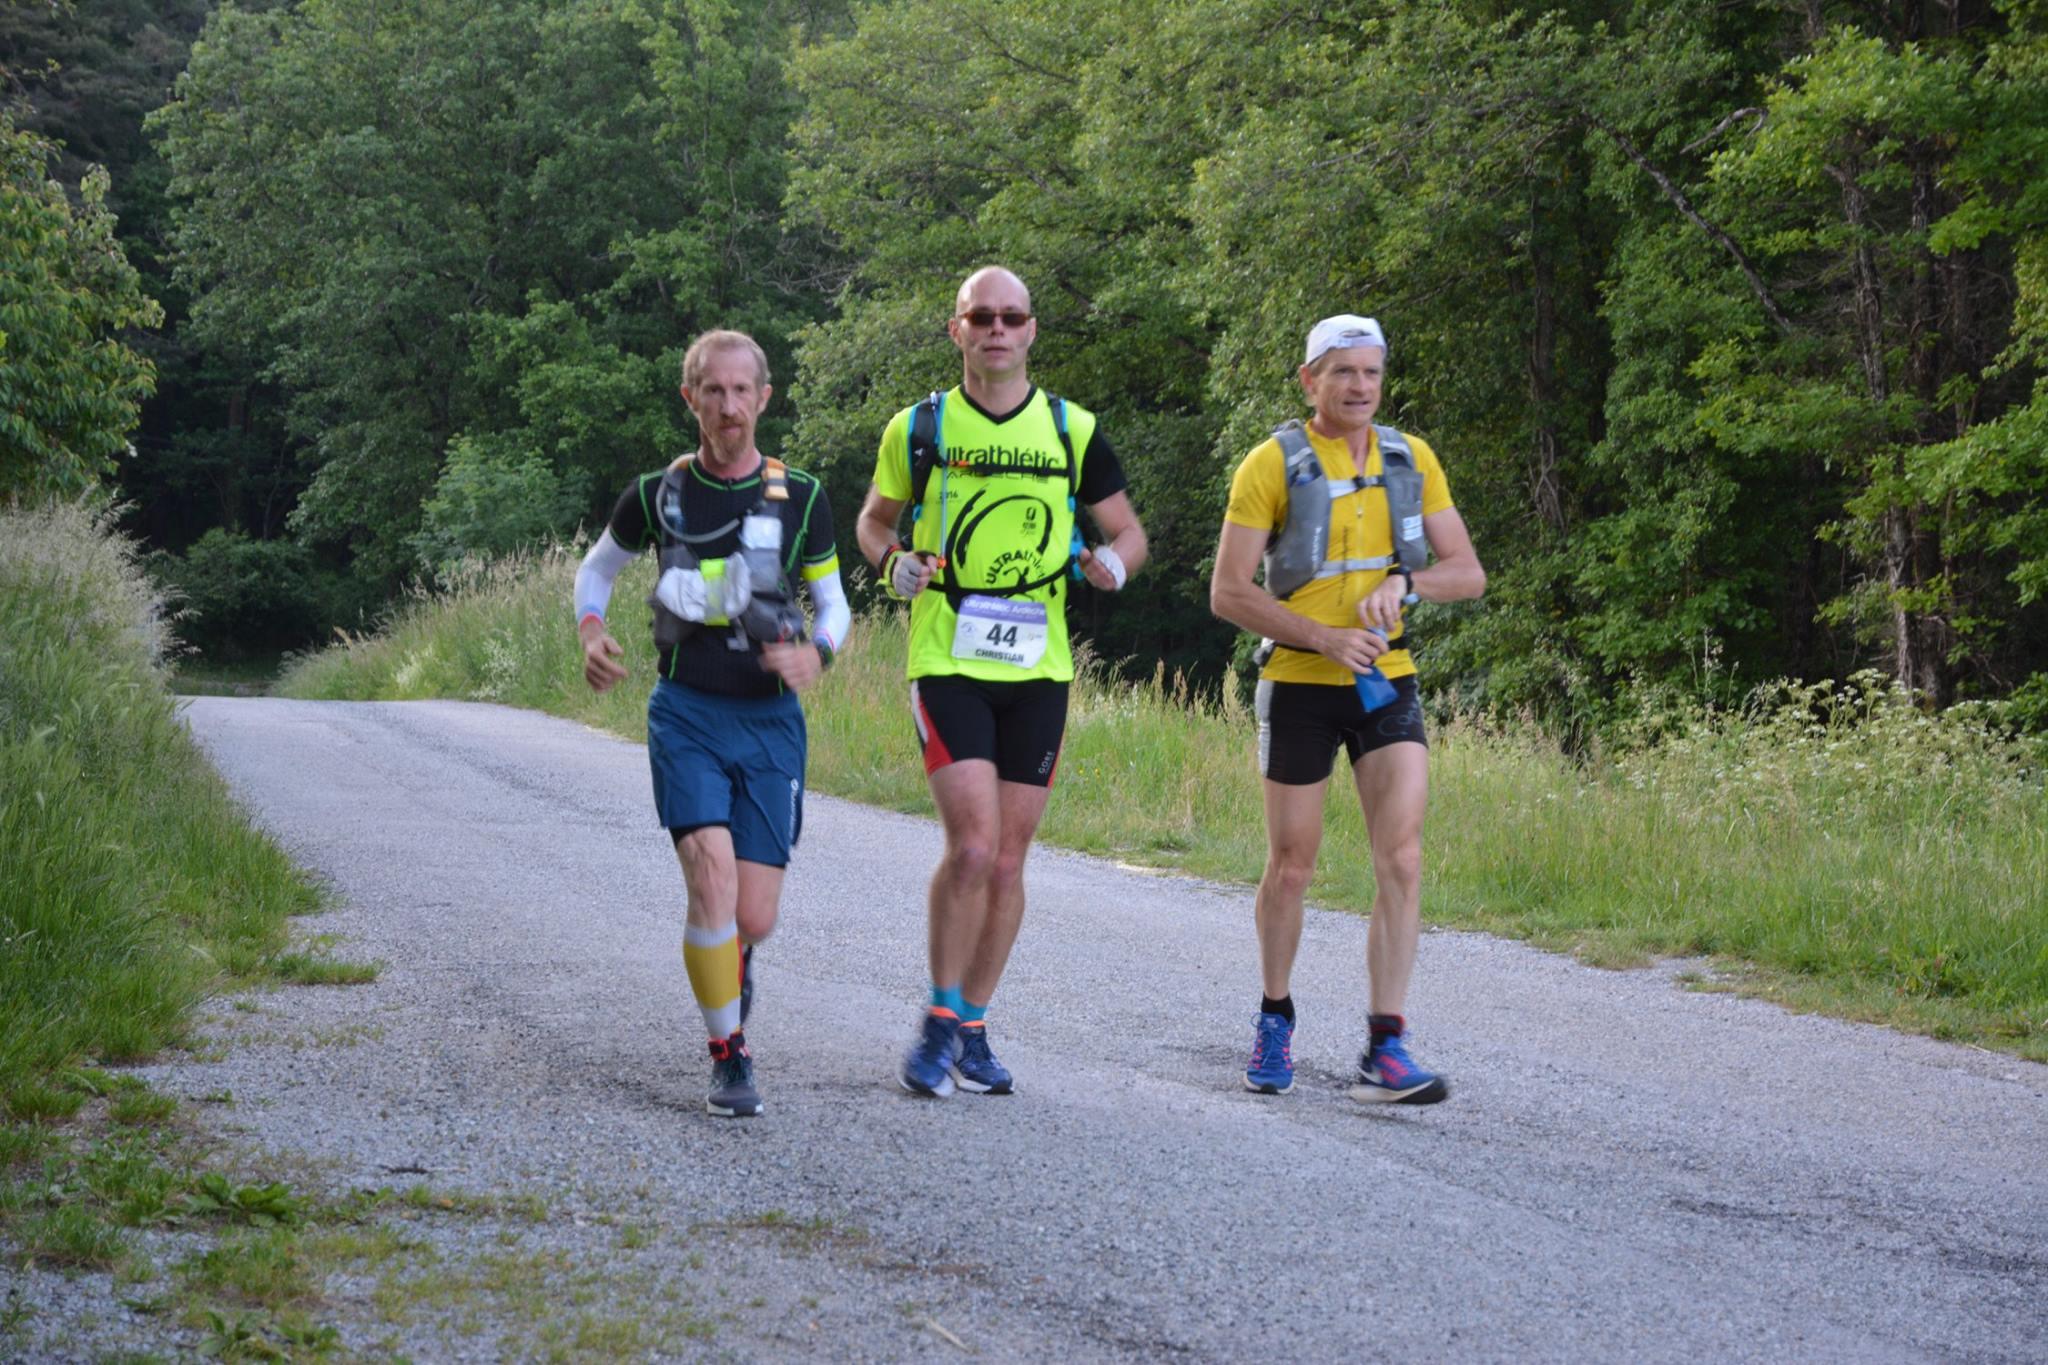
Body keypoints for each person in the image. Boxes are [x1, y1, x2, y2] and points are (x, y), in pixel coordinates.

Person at [856, 266, 1148, 1098]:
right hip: (948, 656)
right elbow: (873, 522)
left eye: (1010, 317)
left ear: (1030, 330)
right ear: (956, 329)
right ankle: (938, 1018)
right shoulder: (918, 427)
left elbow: (1129, 532)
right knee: (974, 846)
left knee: (1011, 860)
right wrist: (892, 561)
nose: (995, 329)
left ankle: (973, 1026)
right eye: (979, 316)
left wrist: (1113, 566)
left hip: (1038, 666)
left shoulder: (1071, 429)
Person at [1209, 314, 1485, 1105]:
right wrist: (1324, 638)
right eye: (1343, 372)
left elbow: (1468, 572)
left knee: (1402, 858)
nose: (1360, 386)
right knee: (1292, 866)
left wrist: (1409, 582)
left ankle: (1385, 1043)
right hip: (1299, 681)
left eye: (1371, 372)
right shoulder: (1271, 463)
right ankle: (1274, 1016)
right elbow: (1227, 592)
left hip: (1384, 681)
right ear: (1310, 381)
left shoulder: (1410, 458)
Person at [575, 329, 849, 1118]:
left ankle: (733, 958)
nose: (729, 407)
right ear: (689, 397)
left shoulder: (802, 496)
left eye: (741, 391)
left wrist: (818, 653)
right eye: (713, 391)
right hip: (687, 710)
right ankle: (728, 1052)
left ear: (764, 397)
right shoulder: (656, 494)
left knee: (752, 914)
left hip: (770, 721)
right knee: (710, 878)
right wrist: (592, 631)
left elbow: (833, 604)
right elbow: (597, 569)